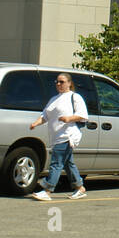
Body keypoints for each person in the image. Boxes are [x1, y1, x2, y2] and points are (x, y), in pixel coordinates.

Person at [28, 73, 89, 201]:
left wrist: (68, 118)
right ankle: (80, 188)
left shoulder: (75, 97)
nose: (58, 84)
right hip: (56, 136)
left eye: (62, 82)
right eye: (57, 82)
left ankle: (48, 190)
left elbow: (83, 115)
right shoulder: (54, 99)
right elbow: (45, 115)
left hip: (67, 136)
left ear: (69, 83)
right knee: (68, 163)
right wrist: (36, 123)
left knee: (56, 163)